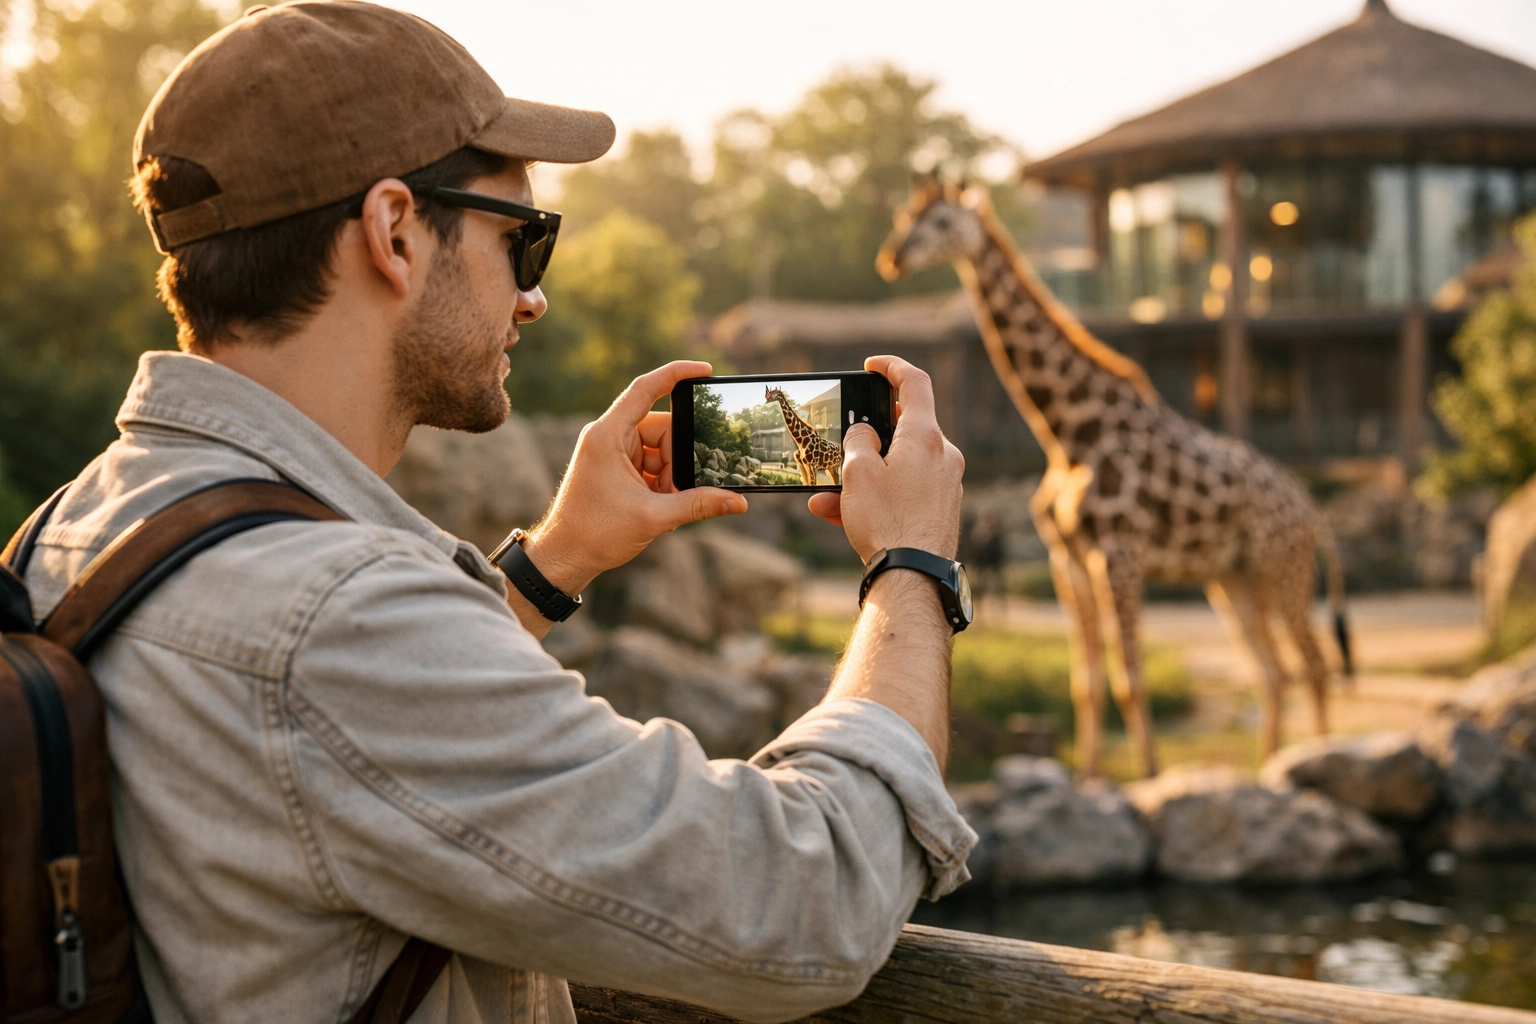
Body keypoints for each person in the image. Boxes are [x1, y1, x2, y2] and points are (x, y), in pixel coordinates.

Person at [22, 3, 974, 1022]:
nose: (534, 298)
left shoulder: (77, 528)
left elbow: (331, 755)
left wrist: (555, 561)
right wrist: (912, 567)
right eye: (525, 240)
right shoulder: (335, 623)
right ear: (393, 231)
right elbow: (806, 900)